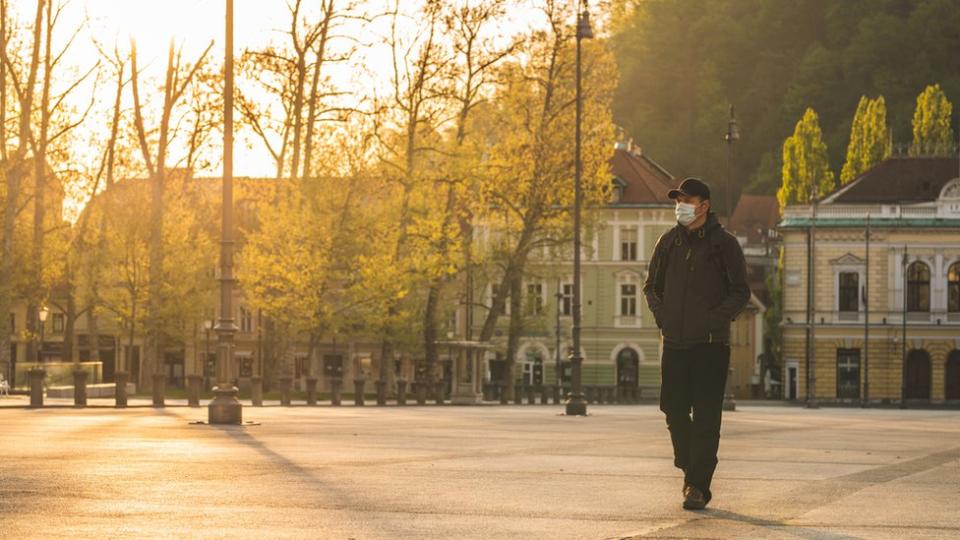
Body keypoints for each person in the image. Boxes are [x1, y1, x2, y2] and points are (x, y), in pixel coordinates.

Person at [642, 177, 750, 510]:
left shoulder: (724, 244)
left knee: (705, 417)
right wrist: (664, 319)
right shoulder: (668, 243)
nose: (680, 206)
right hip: (674, 341)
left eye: (686, 201)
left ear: (703, 206)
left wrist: (713, 320)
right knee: (673, 409)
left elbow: (740, 292)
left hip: (710, 345)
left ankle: (698, 486)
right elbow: (651, 288)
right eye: (678, 201)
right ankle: (690, 467)